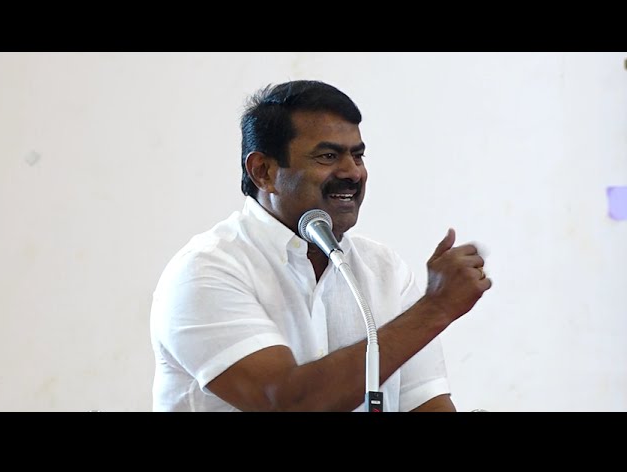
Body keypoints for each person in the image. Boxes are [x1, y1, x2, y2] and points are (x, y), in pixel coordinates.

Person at [150, 79, 492, 412]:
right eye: (328, 156)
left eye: (358, 156)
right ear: (263, 171)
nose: (353, 173)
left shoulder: (384, 269)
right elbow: (284, 403)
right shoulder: (205, 270)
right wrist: (435, 309)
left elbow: (426, 404)